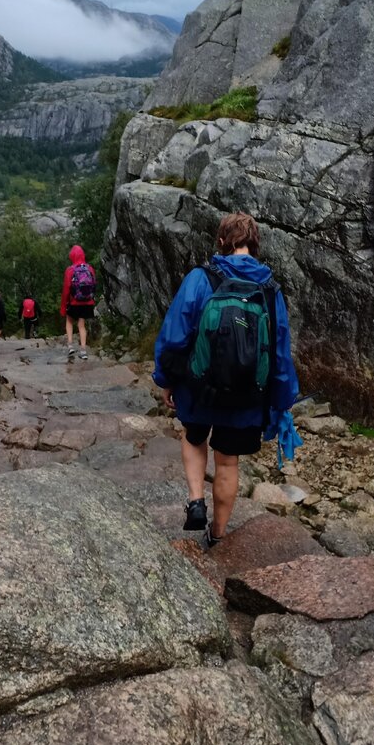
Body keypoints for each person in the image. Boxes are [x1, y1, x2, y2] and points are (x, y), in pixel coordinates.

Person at [153, 212, 299, 548]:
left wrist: (166, 379)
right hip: (247, 395)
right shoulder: (270, 289)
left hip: (199, 386)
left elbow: (175, 334)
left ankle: (195, 500)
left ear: (220, 242)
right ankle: (217, 533)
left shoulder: (200, 278)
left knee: (193, 437)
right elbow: (279, 350)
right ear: (256, 245)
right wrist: (282, 399)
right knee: (228, 461)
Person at [61, 244, 96, 360]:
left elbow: (66, 289)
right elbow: (94, 285)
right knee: (82, 325)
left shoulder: (70, 270)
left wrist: (63, 306)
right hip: (87, 302)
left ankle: (70, 346)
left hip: (74, 302)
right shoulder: (89, 268)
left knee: (69, 321)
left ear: (72, 256)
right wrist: (91, 299)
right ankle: (83, 351)